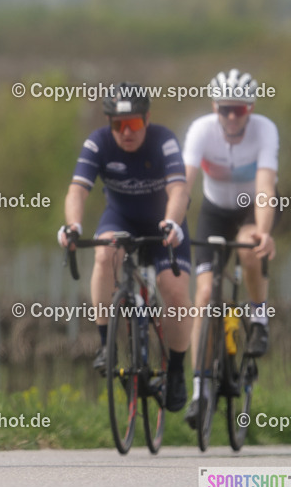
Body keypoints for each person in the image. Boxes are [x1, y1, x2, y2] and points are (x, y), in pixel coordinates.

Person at [58, 84, 192, 411]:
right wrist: (73, 225)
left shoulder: (164, 140)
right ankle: (106, 345)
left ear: (147, 119)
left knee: (173, 289)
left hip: (164, 221)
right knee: (104, 255)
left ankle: (175, 370)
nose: (126, 132)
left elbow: (178, 189)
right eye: (118, 125)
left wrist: (173, 222)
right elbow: (77, 190)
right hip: (120, 217)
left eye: (133, 124)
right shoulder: (98, 142)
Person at [181, 69, 278, 429]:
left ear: (250, 108)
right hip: (214, 212)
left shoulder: (265, 130)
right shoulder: (201, 130)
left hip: (253, 208)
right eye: (225, 109)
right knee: (204, 295)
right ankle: (200, 389)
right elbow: (184, 183)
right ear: (214, 108)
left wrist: (264, 232)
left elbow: (266, 186)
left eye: (239, 109)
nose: (232, 117)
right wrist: (169, 223)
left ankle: (258, 314)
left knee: (251, 248)